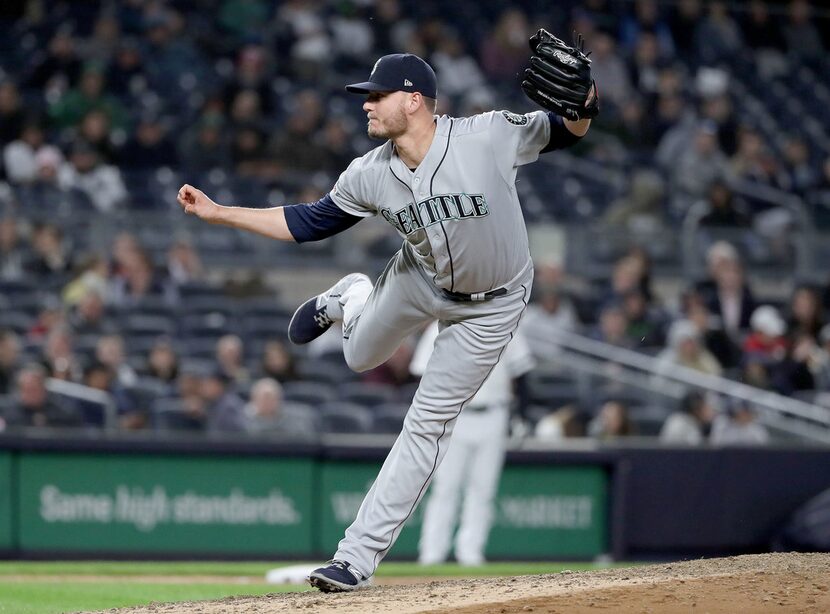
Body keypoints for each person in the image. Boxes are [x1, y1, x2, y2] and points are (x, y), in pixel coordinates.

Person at [177, 44, 594, 592]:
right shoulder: (369, 173)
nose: (367, 106)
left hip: (493, 302)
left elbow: (568, 129)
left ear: (415, 100)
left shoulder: (485, 135)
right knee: (356, 355)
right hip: (419, 275)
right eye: (366, 97)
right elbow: (307, 222)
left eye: (377, 96)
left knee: (426, 424)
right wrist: (220, 212)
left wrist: (586, 100)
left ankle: (354, 559)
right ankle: (350, 298)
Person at [412, 321, 534, 567]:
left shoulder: (504, 320)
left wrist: (521, 415)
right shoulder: (443, 322)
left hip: (495, 413)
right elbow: (421, 373)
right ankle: (432, 553)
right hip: (454, 415)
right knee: (446, 487)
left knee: (483, 489)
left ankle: (471, 552)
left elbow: (522, 371)